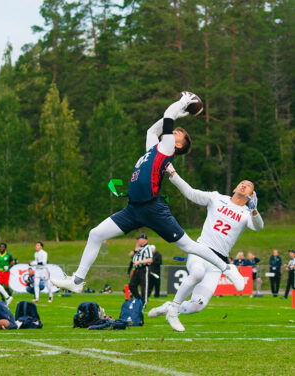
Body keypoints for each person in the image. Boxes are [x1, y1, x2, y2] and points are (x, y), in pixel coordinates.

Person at [52, 93, 246, 294]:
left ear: (177, 145)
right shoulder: (153, 150)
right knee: (95, 234)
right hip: (133, 209)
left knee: (188, 245)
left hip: (153, 208)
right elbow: (152, 129)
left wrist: (183, 103)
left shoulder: (167, 149)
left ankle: (227, 268)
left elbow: (168, 116)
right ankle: (77, 280)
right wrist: (178, 113)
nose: (175, 131)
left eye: (178, 134)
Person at [147, 170, 263, 331]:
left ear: (251, 195)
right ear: (235, 189)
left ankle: (168, 306)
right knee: (197, 273)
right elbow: (191, 193)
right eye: (242, 182)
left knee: (197, 305)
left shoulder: (246, 214)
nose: (244, 185)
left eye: (249, 185)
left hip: (218, 262)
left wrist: (254, 210)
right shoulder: (217, 198)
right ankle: (173, 311)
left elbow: (258, 227)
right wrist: (173, 174)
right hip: (200, 251)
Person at [128, 234, 154, 302]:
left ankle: (143, 303)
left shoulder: (148, 247)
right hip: (137, 269)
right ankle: (139, 299)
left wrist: (140, 262)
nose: (138, 241)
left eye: (139, 239)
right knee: (131, 285)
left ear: (144, 240)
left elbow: (150, 259)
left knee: (144, 287)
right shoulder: (139, 248)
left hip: (144, 268)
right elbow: (130, 254)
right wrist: (135, 250)